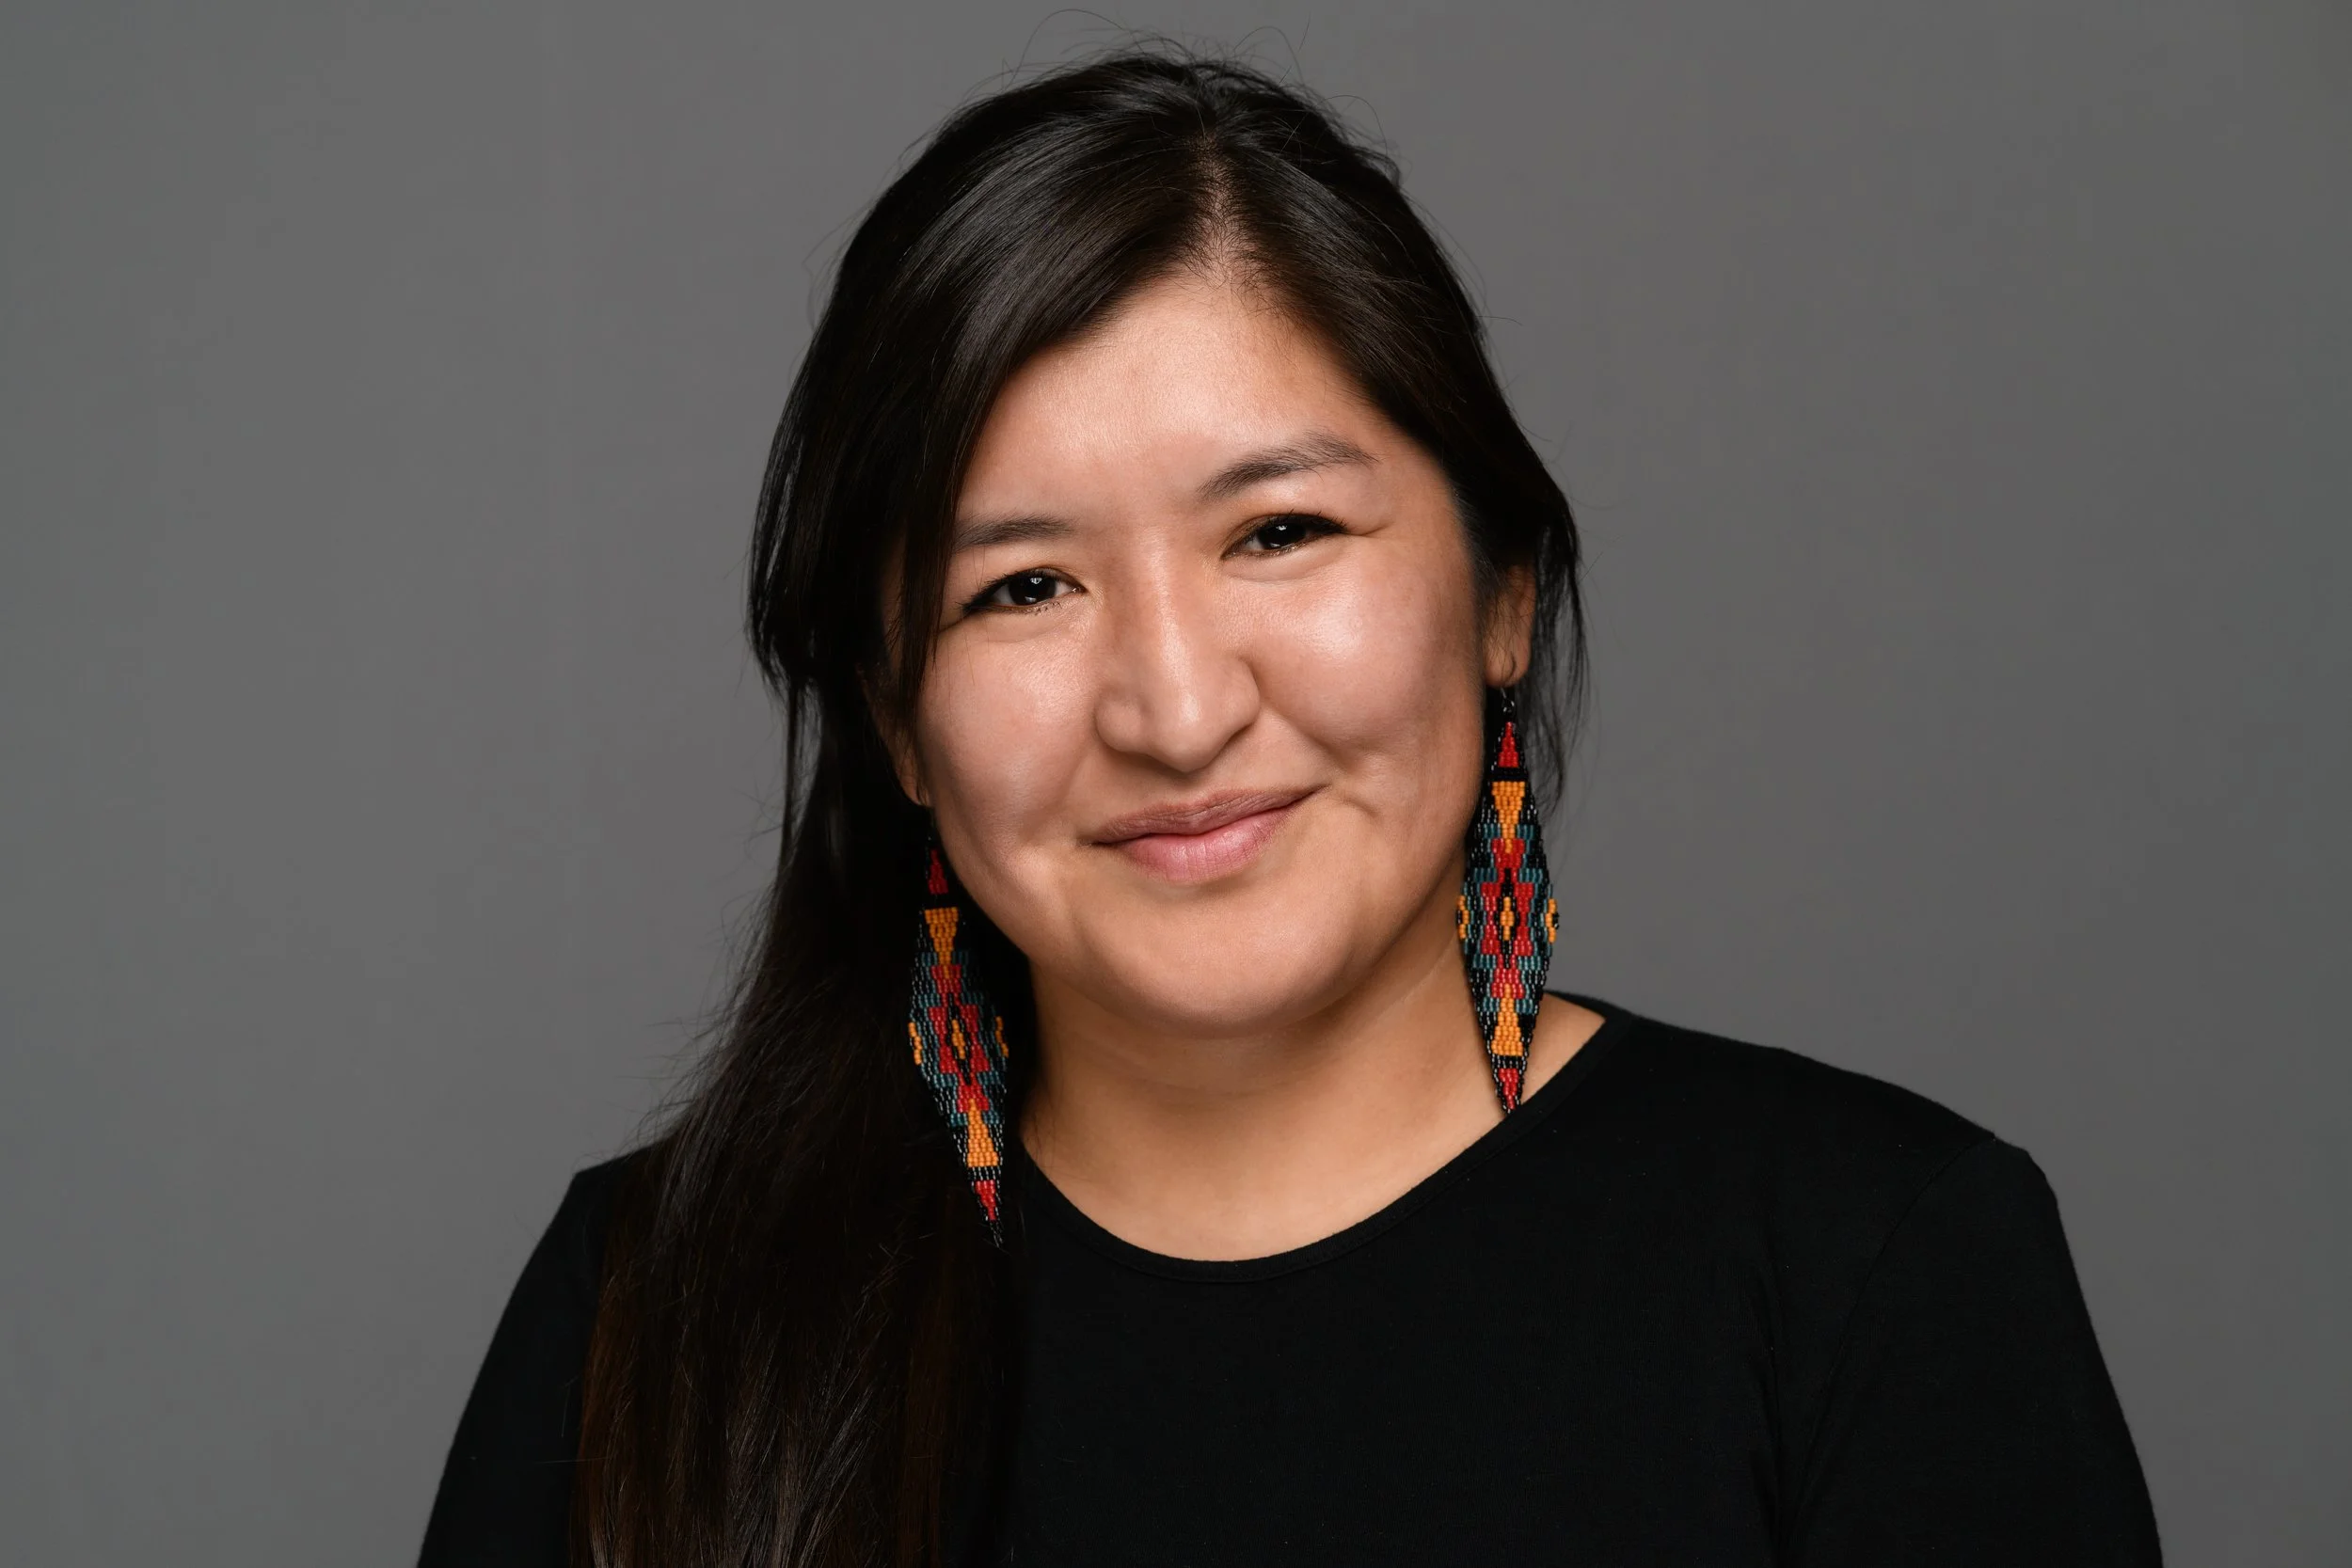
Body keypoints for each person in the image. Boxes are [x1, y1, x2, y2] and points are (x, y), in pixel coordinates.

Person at [418, 50, 2160, 1568]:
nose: (1178, 711)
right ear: (900, 722)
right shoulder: (651, 1315)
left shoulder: (1875, 1269)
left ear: (1502, 592)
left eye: (1279, 532)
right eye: (1022, 587)